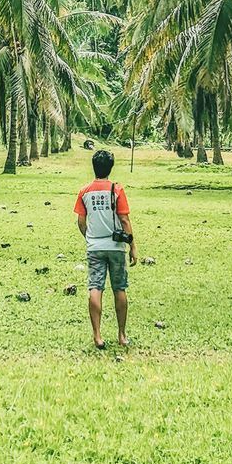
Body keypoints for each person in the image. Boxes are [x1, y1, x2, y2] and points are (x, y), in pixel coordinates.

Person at [73, 148, 137, 348]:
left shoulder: (84, 191)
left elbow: (81, 222)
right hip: (116, 247)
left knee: (95, 288)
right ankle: (121, 335)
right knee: (119, 288)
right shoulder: (117, 190)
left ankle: (98, 336)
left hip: (95, 247)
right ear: (111, 167)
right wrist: (133, 246)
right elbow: (124, 220)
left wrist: (90, 237)